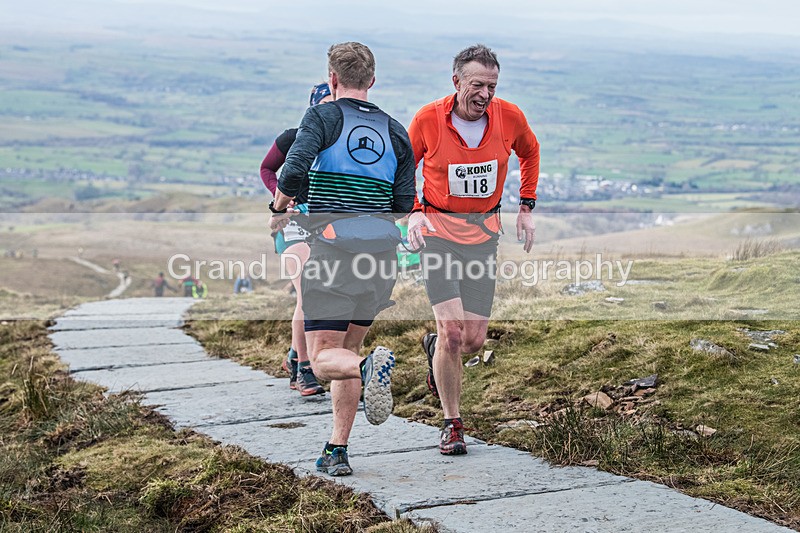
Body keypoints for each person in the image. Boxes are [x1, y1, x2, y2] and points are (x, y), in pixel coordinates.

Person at [271, 42, 416, 476]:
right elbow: (405, 201)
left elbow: (292, 170)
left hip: (334, 254)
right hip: (382, 258)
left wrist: (281, 209)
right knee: (346, 350)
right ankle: (337, 449)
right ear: (372, 81)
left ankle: (371, 366)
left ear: (332, 79)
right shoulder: (395, 130)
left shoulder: (322, 116)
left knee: (321, 358)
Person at [406, 44, 540, 455]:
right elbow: (402, 168)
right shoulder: (428, 119)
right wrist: (413, 213)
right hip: (439, 234)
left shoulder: (510, 116)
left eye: (492, 86)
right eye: (477, 84)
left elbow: (530, 152)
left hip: (484, 236)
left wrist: (526, 206)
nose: (485, 94)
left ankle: (436, 351)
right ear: (456, 82)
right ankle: (452, 424)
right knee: (451, 332)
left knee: (473, 341)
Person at [260, 82, 333, 397]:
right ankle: (304, 370)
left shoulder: (341, 143)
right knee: (308, 292)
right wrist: (280, 198)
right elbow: (266, 168)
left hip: (322, 224)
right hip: (292, 224)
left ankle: (294, 355)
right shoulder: (293, 138)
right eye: (326, 104)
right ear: (313, 106)